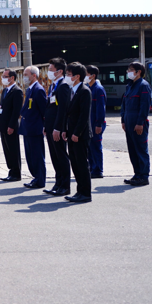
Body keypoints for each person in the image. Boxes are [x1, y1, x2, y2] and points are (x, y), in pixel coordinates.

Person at [60, 62, 93, 203]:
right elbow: (68, 113)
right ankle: (79, 191)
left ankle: (85, 193)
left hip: (80, 135)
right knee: (74, 163)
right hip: (71, 133)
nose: (66, 77)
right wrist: (65, 130)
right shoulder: (71, 90)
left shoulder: (84, 91)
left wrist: (76, 133)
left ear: (77, 76)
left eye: (68, 74)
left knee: (82, 164)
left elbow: (84, 116)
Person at [42, 57, 72, 196]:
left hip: (57, 128)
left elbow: (62, 110)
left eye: (51, 69)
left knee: (61, 156)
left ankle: (65, 186)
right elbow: (50, 106)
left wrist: (58, 128)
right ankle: (58, 183)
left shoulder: (63, 85)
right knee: (54, 156)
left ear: (60, 71)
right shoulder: (53, 85)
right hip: (50, 126)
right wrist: (46, 126)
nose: (48, 72)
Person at [121, 61, 151, 186]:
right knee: (132, 150)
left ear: (138, 72)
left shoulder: (143, 86)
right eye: (128, 70)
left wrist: (140, 123)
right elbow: (124, 104)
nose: (129, 72)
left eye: (131, 70)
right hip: (128, 122)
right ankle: (137, 174)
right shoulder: (130, 86)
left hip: (138, 123)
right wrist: (123, 120)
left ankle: (144, 176)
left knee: (141, 150)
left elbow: (144, 106)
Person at [19, 65, 47, 189]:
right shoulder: (30, 89)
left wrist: (45, 126)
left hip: (35, 128)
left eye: (26, 75)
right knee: (30, 156)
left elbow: (44, 110)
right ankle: (35, 177)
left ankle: (40, 180)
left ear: (34, 75)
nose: (24, 77)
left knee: (37, 156)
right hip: (28, 128)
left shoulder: (38, 90)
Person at [0, 67, 24, 182]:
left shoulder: (17, 91)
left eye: (5, 77)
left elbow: (16, 111)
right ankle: (11, 171)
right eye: (2, 76)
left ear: (12, 78)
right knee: (7, 149)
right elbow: (1, 107)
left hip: (10, 125)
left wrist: (11, 126)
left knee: (13, 149)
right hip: (3, 124)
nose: (3, 79)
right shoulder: (5, 90)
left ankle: (16, 173)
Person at [86, 64, 106, 179]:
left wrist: (99, 124)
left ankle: (98, 170)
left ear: (93, 76)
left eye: (86, 74)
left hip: (95, 123)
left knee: (96, 147)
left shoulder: (98, 89)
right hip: (90, 123)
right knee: (90, 147)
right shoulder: (89, 87)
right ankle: (92, 168)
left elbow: (100, 108)